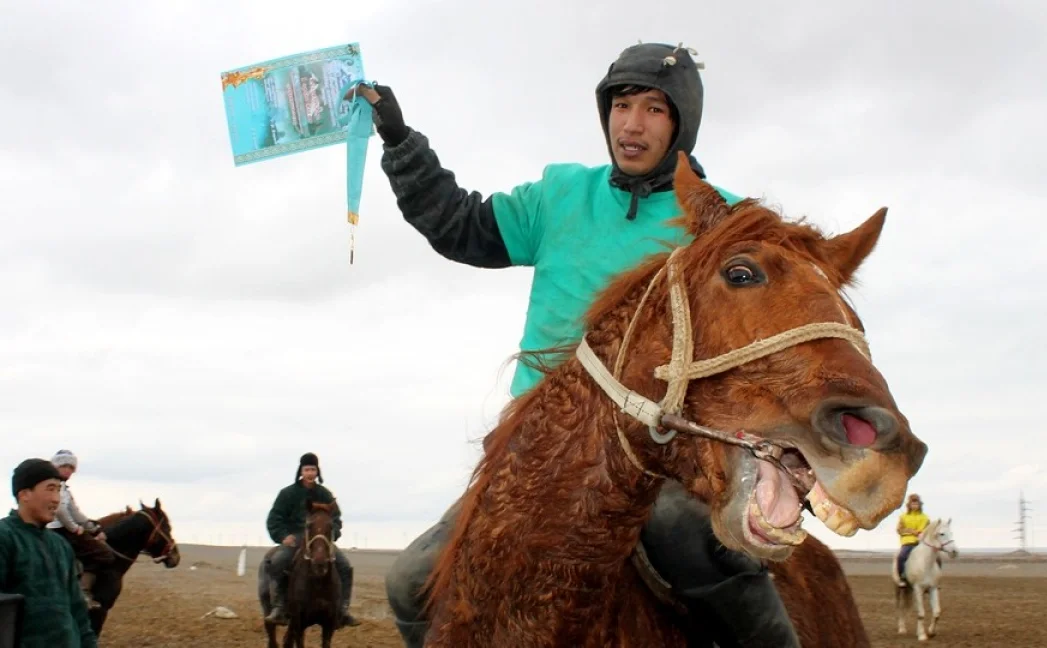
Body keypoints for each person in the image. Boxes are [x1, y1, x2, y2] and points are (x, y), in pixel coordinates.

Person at [360, 41, 803, 647]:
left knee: (689, 539)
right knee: (412, 580)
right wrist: (398, 138)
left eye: (654, 109)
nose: (633, 124)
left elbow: (764, 337)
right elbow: (459, 225)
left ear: (680, 124)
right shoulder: (559, 194)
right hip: (535, 454)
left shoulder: (721, 223)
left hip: (656, 452)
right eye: (622, 105)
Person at [0, 458, 98, 647]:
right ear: (24, 494)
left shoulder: (60, 545)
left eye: (58, 490)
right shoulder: (5, 538)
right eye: (50, 488)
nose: (56, 499)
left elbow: (78, 611)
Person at [262, 453, 359, 627]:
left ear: (317, 471)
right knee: (277, 562)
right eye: (307, 469)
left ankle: (342, 610)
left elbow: (336, 519)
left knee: (345, 566)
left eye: (313, 469)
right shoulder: (287, 494)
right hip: (296, 538)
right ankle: (279, 607)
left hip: (320, 539)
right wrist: (283, 536)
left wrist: (331, 535)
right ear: (301, 471)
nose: (310, 473)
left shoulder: (325, 494)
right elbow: (274, 518)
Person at [44, 450, 113, 610]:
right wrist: (75, 529)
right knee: (103, 554)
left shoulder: (64, 489)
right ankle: (83, 592)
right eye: (64, 466)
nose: (68, 470)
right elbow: (60, 512)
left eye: (71, 467)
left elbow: (75, 512)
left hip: (63, 528)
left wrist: (93, 529)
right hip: (58, 530)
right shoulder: (56, 486)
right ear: (56, 466)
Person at [894, 492, 930, 587]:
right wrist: (911, 531)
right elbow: (899, 530)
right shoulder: (903, 517)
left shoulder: (925, 517)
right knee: (901, 557)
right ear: (909, 505)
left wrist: (922, 533)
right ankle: (902, 577)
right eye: (913, 504)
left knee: (935, 558)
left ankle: (932, 579)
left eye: (916, 504)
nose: (915, 505)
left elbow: (928, 530)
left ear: (920, 505)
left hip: (922, 542)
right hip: (908, 542)